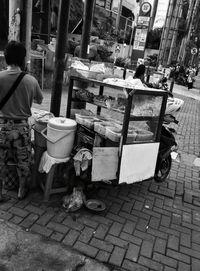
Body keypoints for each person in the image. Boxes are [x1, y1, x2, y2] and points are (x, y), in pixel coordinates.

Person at [0, 41, 43, 201]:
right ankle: (21, 190)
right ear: (23, 59)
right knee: (23, 161)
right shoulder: (31, 80)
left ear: (6, 58)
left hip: (2, 126)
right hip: (22, 128)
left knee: (0, 161)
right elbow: (39, 100)